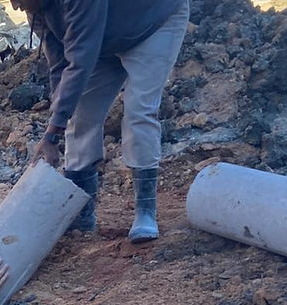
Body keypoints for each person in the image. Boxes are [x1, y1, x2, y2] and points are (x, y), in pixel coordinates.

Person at [16, 0, 190, 240]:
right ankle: (81, 215)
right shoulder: (36, 7)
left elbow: (80, 59)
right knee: (80, 117)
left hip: (152, 24)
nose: (15, 6)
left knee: (139, 111)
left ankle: (145, 212)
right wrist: (58, 120)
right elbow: (59, 64)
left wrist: (53, 133)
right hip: (102, 41)